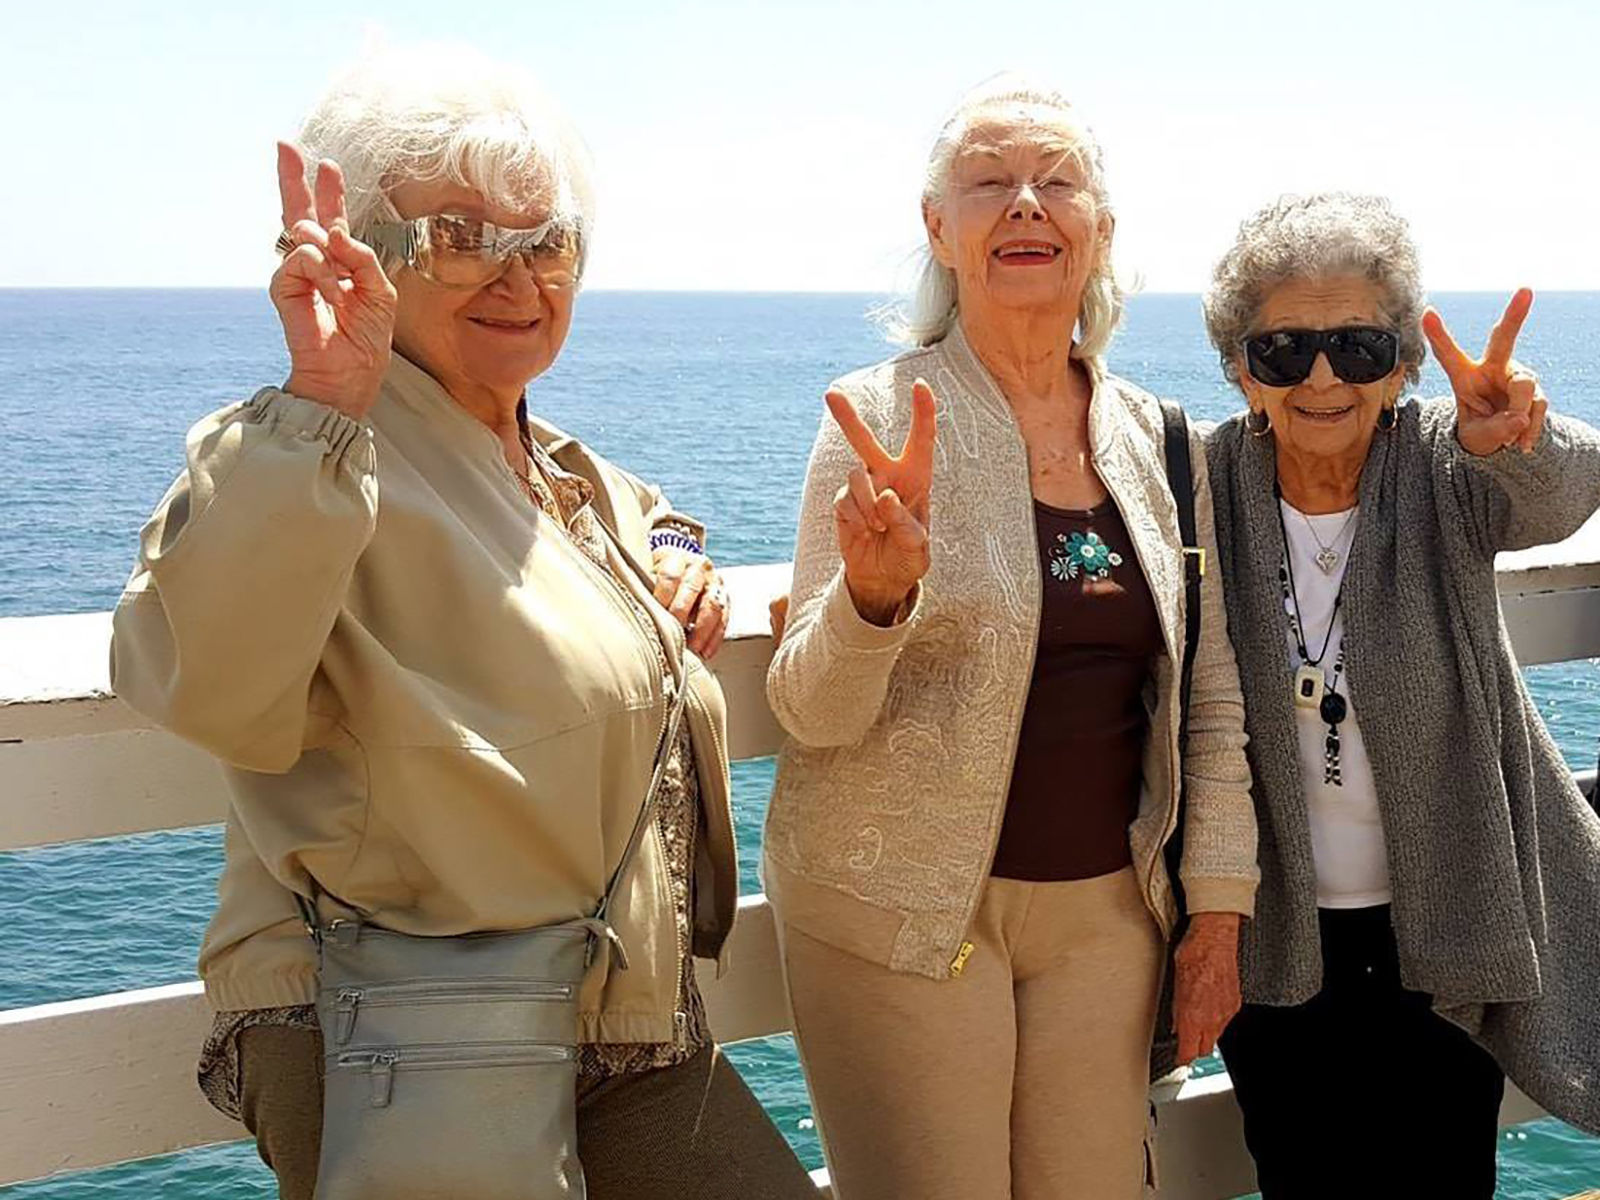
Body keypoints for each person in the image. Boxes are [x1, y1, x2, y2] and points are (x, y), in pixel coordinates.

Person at [109, 46, 814, 1200]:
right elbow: (200, 682)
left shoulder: (539, 459)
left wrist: (680, 553)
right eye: (459, 237)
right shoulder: (308, 448)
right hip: (394, 1027)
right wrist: (320, 404)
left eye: (547, 240)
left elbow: (638, 508)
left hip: (609, 1014)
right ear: (370, 261)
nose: (518, 276)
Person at [761, 76, 1260, 1199]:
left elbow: (1212, 694)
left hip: (1103, 921)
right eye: (987, 182)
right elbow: (810, 708)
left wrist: (1217, 911)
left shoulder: (1161, 440)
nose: (1026, 203)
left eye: (1057, 181)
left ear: (1101, 228)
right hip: (898, 913)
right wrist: (872, 603)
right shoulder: (873, 420)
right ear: (938, 228)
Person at [1203, 192, 1600, 1198]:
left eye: (1358, 346)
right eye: (1286, 350)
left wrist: (1519, 437)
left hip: (1444, 932)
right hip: (1281, 945)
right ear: (1243, 369)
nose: (1323, 376)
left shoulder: (1437, 461)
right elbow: (1091, 557)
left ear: (1401, 369)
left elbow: (1558, 496)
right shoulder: (1204, 480)